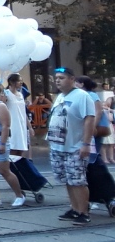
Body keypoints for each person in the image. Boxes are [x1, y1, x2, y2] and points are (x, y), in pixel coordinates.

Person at [48, 69, 96, 226]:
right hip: (58, 146)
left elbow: (89, 120)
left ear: (72, 79)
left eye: (61, 78)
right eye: (56, 78)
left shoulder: (82, 96)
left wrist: (86, 144)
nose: (57, 81)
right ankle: (74, 209)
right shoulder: (60, 96)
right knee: (67, 179)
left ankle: (84, 212)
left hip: (75, 146)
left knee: (78, 181)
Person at [4, 73, 31, 157]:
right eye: (19, 81)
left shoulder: (21, 94)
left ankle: (18, 168)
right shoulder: (6, 93)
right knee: (13, 148)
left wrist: (29, 127)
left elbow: (23, 112)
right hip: (12, 124)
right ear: (12, 82)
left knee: (21, 149)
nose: (21, 83)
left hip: (21, 125)